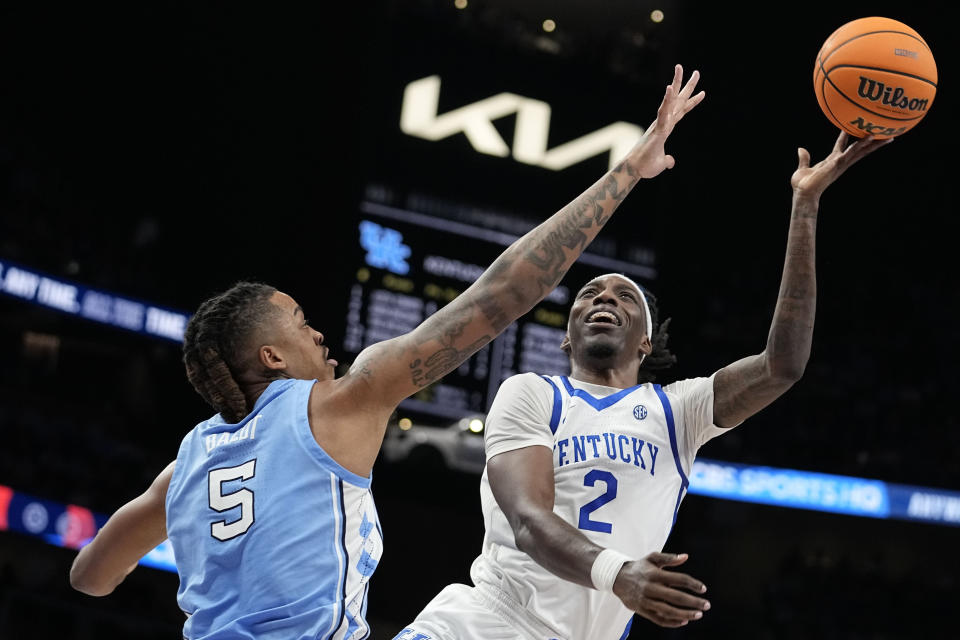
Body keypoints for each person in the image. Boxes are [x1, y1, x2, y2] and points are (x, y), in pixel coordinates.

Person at [67, 65, 706, 639]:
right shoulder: (342, 402)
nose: (318, 335)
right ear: (271, 358)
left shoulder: (186, 468)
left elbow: (89, 577)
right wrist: (628, 171)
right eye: (299, 323)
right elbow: (512, 289)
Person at [395, 129, 892, 640]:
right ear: (567, 338)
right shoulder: (533, 393)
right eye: (588, 293)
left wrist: (805, 206)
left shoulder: (677, 412)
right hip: (488, 622)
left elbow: (783, 365)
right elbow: (527, 520)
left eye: (623, 297)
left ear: (646, 344)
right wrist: (618, 573)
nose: (602, 299)